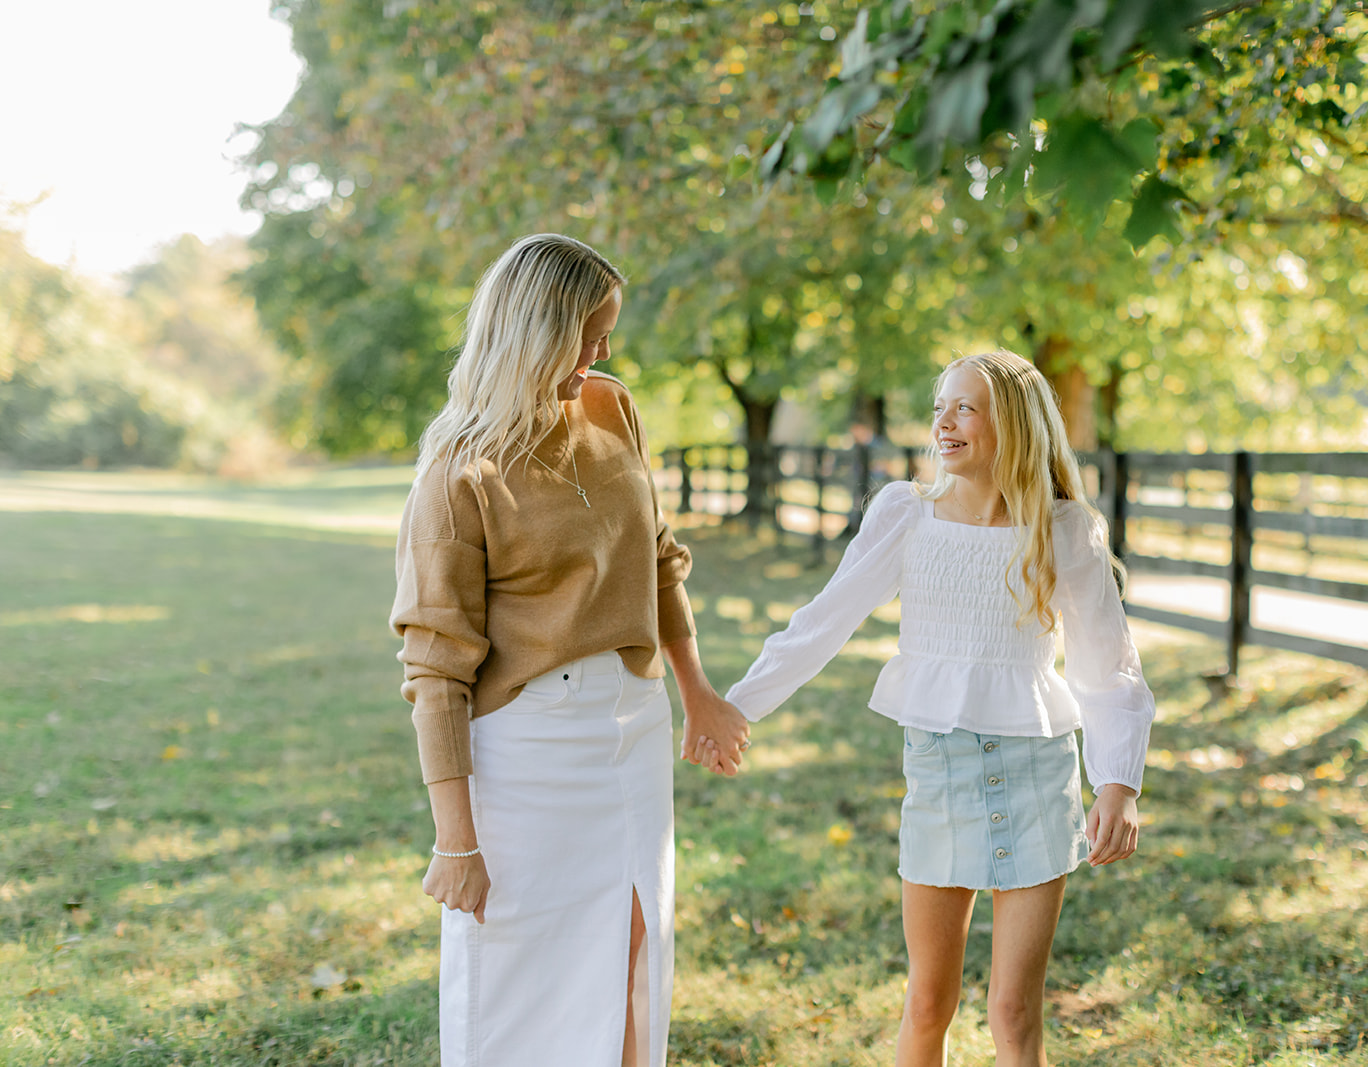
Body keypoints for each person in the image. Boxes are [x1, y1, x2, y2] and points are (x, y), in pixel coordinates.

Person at [716, 350, 1155, 1067]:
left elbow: (1108, 665)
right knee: (928, 1000)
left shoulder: (1064, 528)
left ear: (1012, 424)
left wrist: (1119, 782)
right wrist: (738, 705)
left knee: (1014, 1011)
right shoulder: (906, 513)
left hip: (1037, 776)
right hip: (941, 773)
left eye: (964, 408)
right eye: (939, 408)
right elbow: (824, 620)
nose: (943, 423)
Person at [389, 233, 750, 1067]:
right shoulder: (457, 473)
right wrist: (456, 841)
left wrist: (697, 691)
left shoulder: (612, 408)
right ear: (535, 333)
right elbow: (436, 670)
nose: (604, 353)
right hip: (530, 750)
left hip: (634, 725)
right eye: (589, 335)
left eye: (607, 332)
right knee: (523, 967)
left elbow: (657, 558)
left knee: (636, 941)